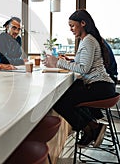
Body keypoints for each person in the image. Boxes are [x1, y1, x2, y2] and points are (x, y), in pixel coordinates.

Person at [43, 9, 116, 147]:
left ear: (83, 23)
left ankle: (91, 128)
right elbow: (84, 64)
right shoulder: (87, 40)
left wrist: (57, 62)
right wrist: (68, 61)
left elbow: (84, 69)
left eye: (72, 25)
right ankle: (92, 127)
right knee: (66, 95)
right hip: (102, 86)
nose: (70, 29)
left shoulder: (88, 40)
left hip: (100, 86)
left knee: (59, 100)